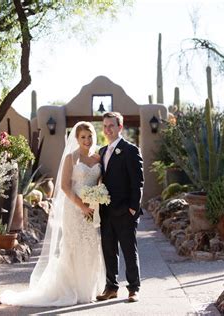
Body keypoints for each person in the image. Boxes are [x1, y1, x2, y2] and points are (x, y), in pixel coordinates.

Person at [1, 121, 105, 306]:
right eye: (83, 137)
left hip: (93, 209)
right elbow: (65, 186)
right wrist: (82, 206)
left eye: (89, 136)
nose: (87, 140)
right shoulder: (71, 158)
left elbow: (100, 184)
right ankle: (72, 289)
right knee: (73, 246)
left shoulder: (98, 159)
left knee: (91, 246)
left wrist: (97, 201)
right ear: (77, 139)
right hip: (74, 209)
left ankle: (89, 288)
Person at [96, 112, 144, 303]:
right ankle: (111, 287)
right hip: (106, 212)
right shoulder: (101, 152)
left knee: (129, 251)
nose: (108, 129)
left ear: (120, 127)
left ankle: (134, 289)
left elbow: (138, 182)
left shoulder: (130, 150)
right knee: (108, 250)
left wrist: (133, 208)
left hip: (125, 211)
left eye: (112, 126)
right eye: (105, 126)